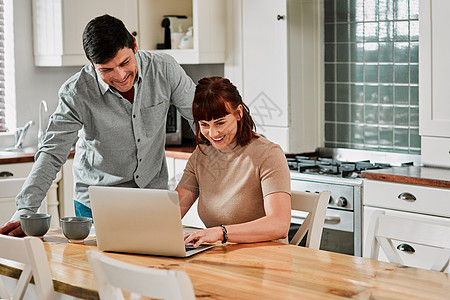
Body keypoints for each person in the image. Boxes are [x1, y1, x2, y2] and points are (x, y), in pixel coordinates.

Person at [0, 14, 195, 236]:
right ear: (92, 65)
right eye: (106, 70)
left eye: (125, 63)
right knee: (97, 269)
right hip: (96, 205)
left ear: (134, 45)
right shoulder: (76, 92)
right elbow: (51, 153)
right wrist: (25, 209)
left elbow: (201, 119)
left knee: (157, 268)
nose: (120, 76)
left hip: (153, 199)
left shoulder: (164, 69)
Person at [176, 76, 291, 247]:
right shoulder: (201, 155)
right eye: (204, 125)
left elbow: (279, 225)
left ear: (238, 113)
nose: (213, 133)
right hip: (222, 257)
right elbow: (172, 213)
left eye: (220, 123)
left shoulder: (268, 154)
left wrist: (221, 232)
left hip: (266, 261)